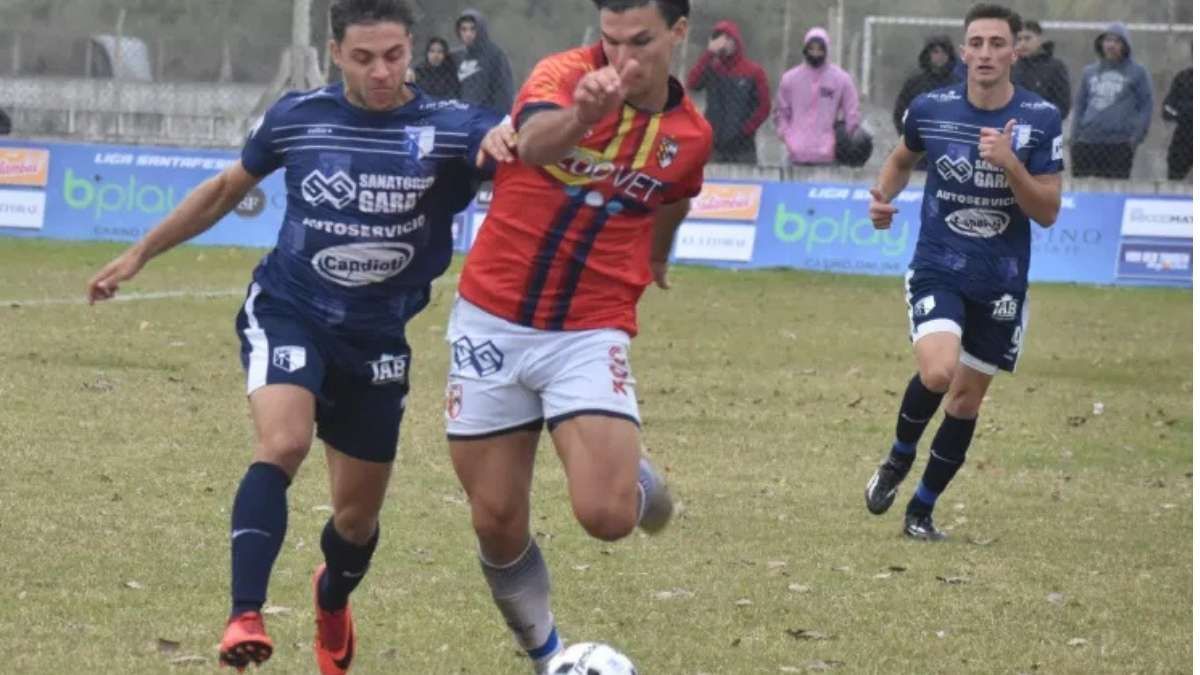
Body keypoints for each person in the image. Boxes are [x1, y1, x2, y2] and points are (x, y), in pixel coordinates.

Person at [86, 1, 507, 672]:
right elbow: (227, 189)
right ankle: (243, 616)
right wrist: (139, 254)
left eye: (394, 56)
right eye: (364, 57)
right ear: (336, 52)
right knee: (283, 441)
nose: (381, 71)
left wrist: (532, 133)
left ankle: (332, 595)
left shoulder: (450, 127)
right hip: (290, 308)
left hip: (376, 338)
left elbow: (525, 143)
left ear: (411, 52)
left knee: (354, 523)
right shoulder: (298, 116)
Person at [442, 0, 711, 671]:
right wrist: (585, 115)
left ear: (679, 34)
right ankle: (549, 656)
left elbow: (676, 194)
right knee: (496, 520)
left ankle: (634, 481)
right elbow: (533, 145)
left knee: (607, 514)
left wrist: (658, 256)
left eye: (642, 41)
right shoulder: (562, 75)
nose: (623, 58)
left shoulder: (691, 134)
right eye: (611, 39)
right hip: (491, 318)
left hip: (588, 328)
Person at [864, 3, 1063, 541]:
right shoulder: (931, 107)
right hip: (938, 266)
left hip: (1001, 281)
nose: (986, 53)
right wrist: (882, 198)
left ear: (1015, 51)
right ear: (963, 51)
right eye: (976, 43)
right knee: (938, 373)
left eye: (998, 43)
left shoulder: (1040, 119)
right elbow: (902, 159)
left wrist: (1011, 163)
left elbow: (1046, 210)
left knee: (967, 400)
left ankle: (921, 512)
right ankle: (898, 458)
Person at [1070, 23, 1153, 179]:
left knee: (1114, 192)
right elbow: (1080, 106)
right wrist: (1074, 138)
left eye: (1117, 41)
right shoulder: (1089, 72)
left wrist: (1135, 139)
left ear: (1125, 45)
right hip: (1087, 141)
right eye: (1108, 40)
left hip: (1119, 144)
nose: (1111, 45)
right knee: (1083, 193)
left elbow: (1146, 107)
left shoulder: (1137, 72)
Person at [685, 19, 770, 164]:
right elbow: (692, 84)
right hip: (714, 145)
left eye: (728, 39)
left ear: (736, 41)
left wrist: (746, 131)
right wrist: (709, 54)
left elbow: (764, 106)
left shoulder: (753, 71)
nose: (724, 44)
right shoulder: (712, 68)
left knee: (747, 185)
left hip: (743, 147)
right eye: (720, 40)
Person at [775, 26, 860, 165]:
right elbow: (781, 112)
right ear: (805, 49)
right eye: (811, 48)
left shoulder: (841, 79)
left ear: (826, 50)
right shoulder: (789, 79)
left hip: (828, 156)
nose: (815, 53)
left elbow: (852, 112)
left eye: (820, 49)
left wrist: (840, 140)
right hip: (795, 154)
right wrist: (787, 137)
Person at [892, 34, 963, 138]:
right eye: (935, 52)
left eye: (944, 52)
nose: (940, 56)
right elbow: (900, 113)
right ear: (928, 54)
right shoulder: (914, 83)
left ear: (950, 55)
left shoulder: (959, 84)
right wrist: (908, 138)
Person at [454, 9, 515, 116]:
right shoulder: (457, 57)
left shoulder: (495, 55)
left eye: (473, 29)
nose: (468, 34)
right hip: (462, 118)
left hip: (488, 118)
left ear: (481, 30)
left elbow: (504, 93)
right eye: (464, 29)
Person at [1012, 19, 1071, 120]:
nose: (1022, 43)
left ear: (1040, 39)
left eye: (1027, 38)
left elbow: (1063, 106)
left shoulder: (1055, 67)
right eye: (1019, 39)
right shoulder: (1012, 67)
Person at [1162, 65, 1192, 181]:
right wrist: (1184, 114)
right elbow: (1167, 108)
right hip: (1184, 135)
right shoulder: (1184, 77)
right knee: (1174, 176)